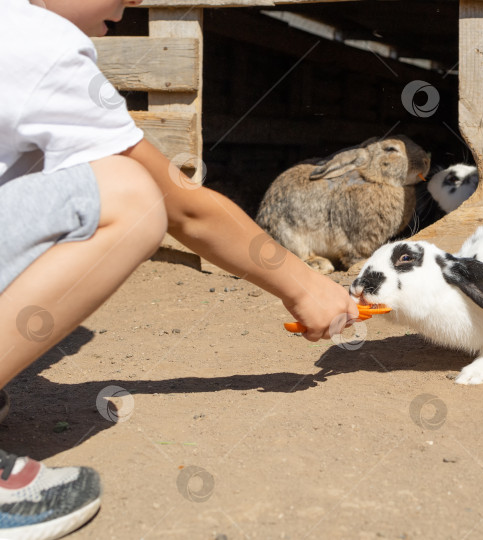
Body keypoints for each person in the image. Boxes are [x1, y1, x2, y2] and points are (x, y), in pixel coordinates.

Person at [0, 1, 359, 538]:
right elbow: (183, 207)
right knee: (131, 195)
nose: (133, 3)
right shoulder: (38, 41)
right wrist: (305, 285)